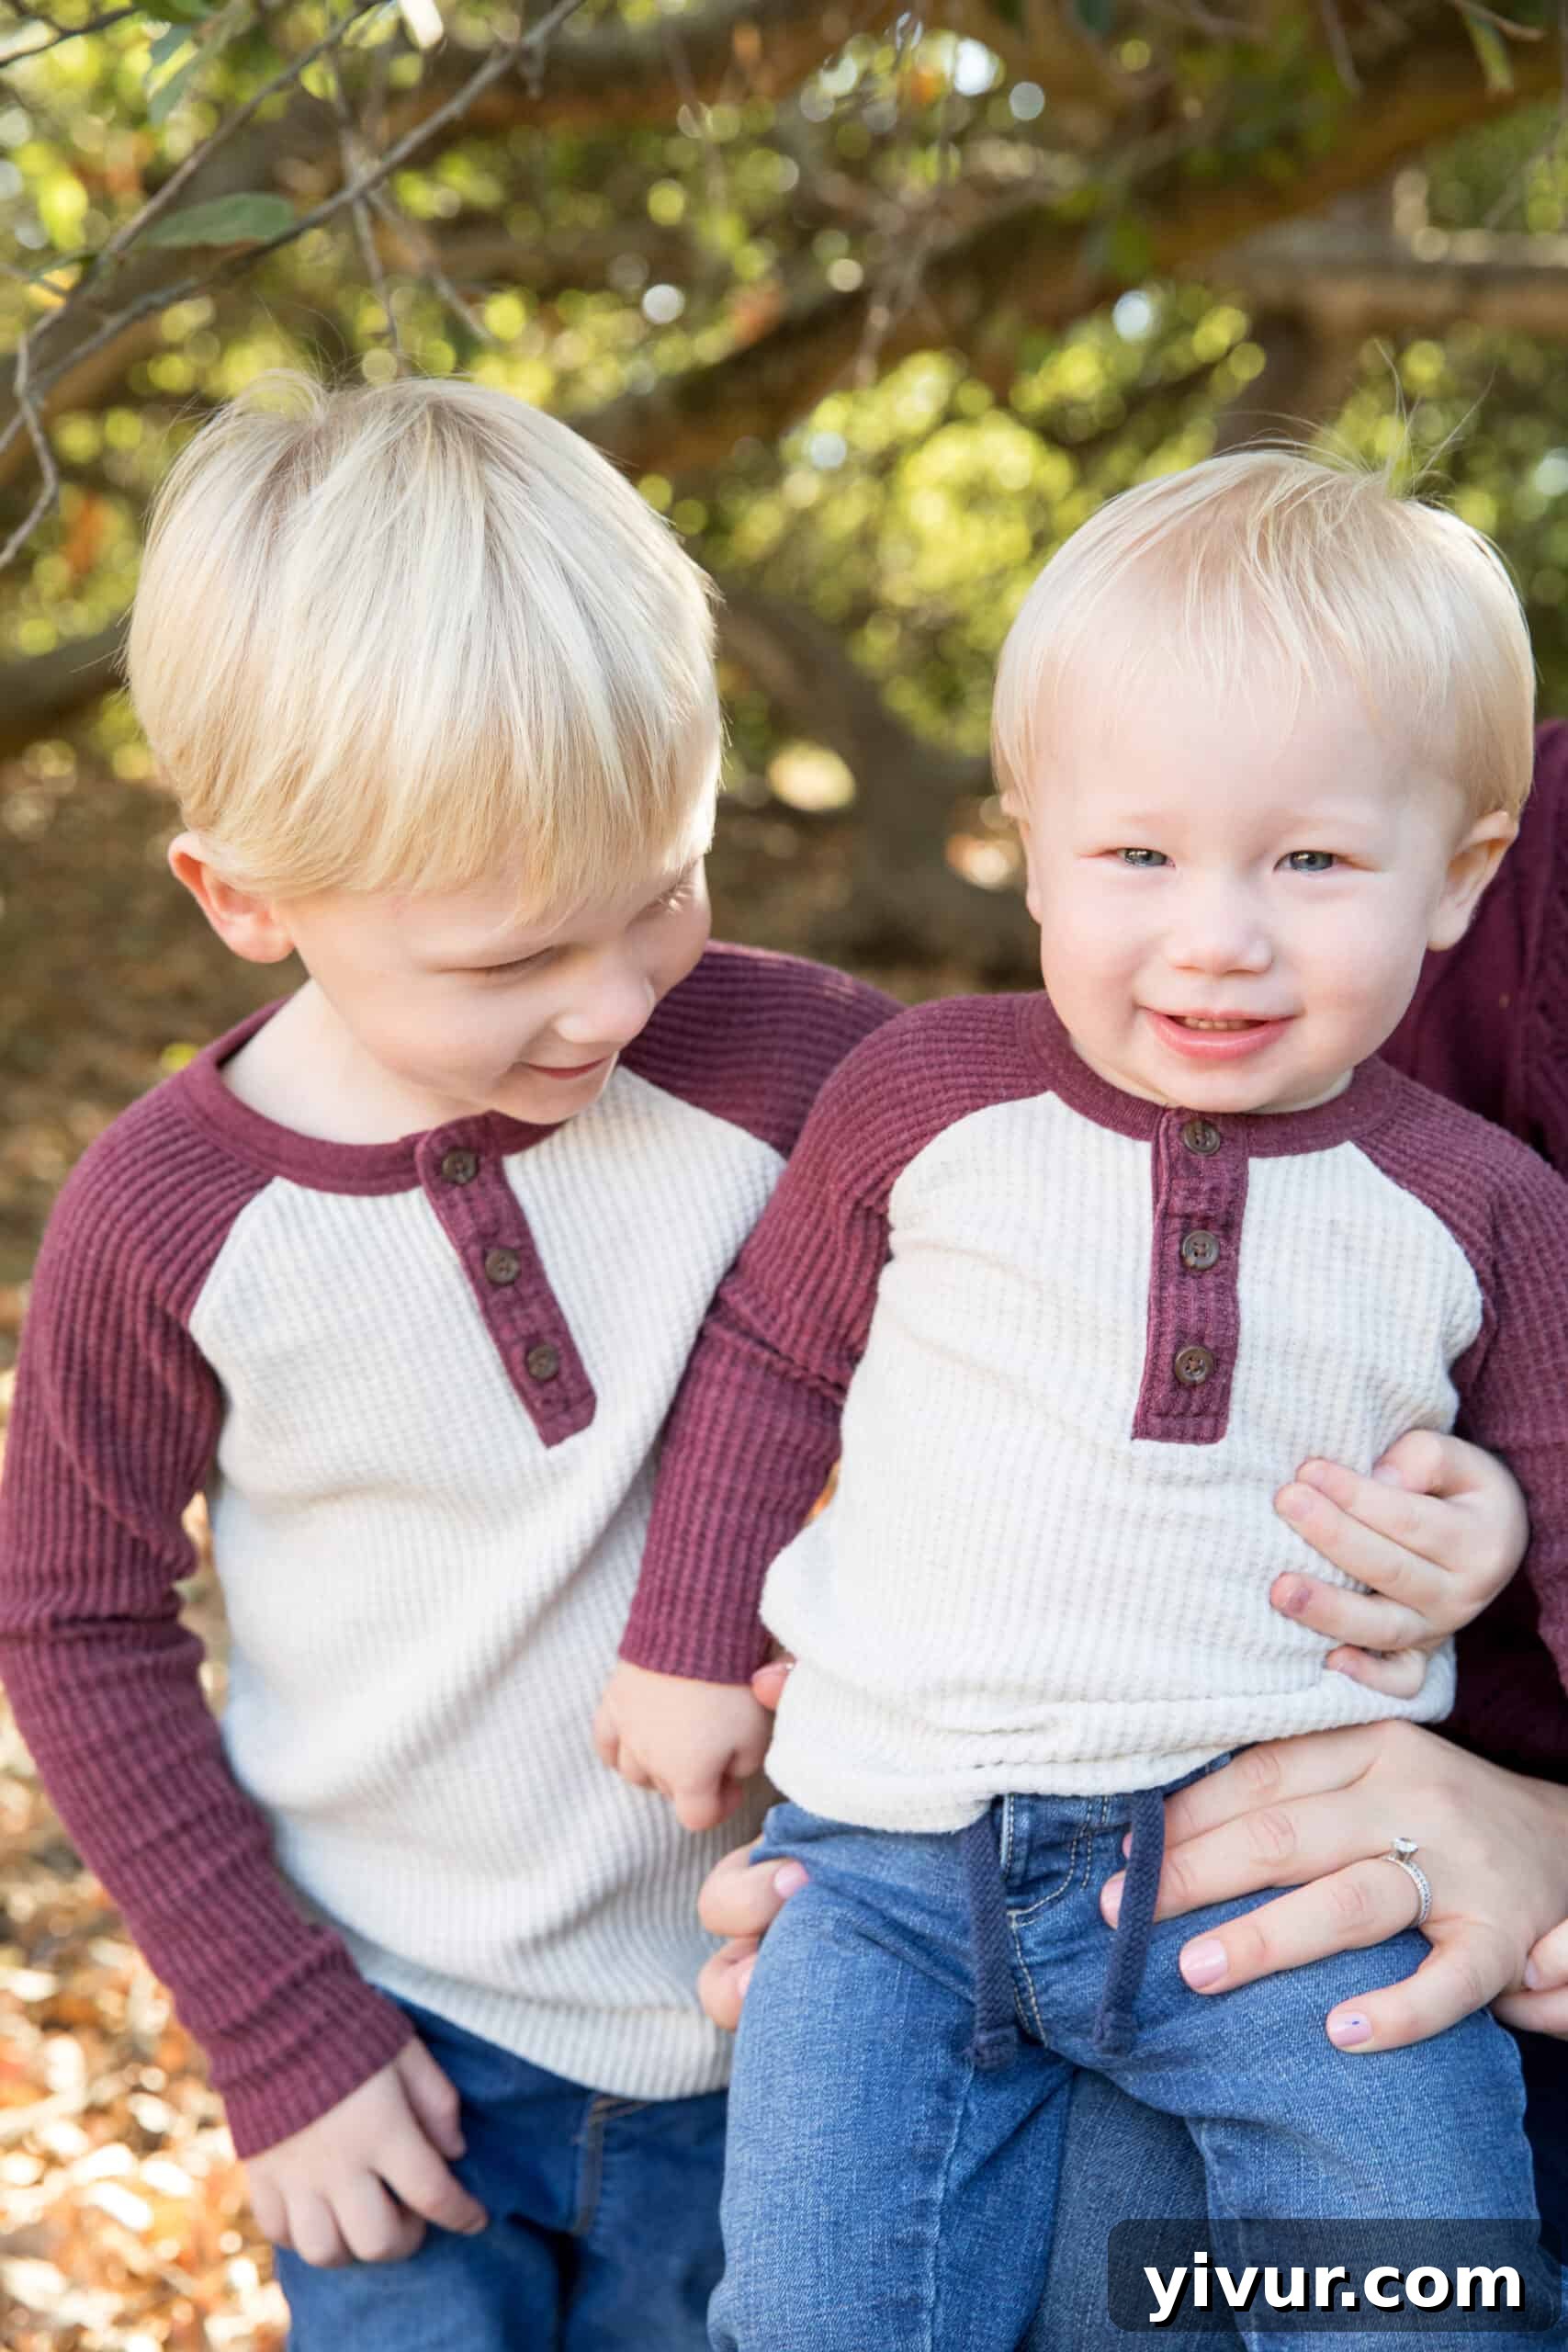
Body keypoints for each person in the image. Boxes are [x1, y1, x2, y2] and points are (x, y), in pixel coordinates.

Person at [598, 453, 1568, 2349]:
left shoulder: (1479, 1204)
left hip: (1283, 1874)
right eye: (1135, 856)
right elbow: (772, 1361)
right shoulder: (920, 1102)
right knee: (814, 2309)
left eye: (1308, 861)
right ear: (1027, 840)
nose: (1215, 933)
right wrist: (683, 1641)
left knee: (1422, 2284)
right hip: (884, 1871)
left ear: (1456, 874)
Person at [0, 371, 899, 2351]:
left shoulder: (808, 1070)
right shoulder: (168, 1225)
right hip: (398, 2057)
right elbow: (73, 1619)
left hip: (794, 2015)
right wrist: (274, 2029)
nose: (605, 1003)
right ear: (243, 897)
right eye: (504, 963)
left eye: (660, 887)